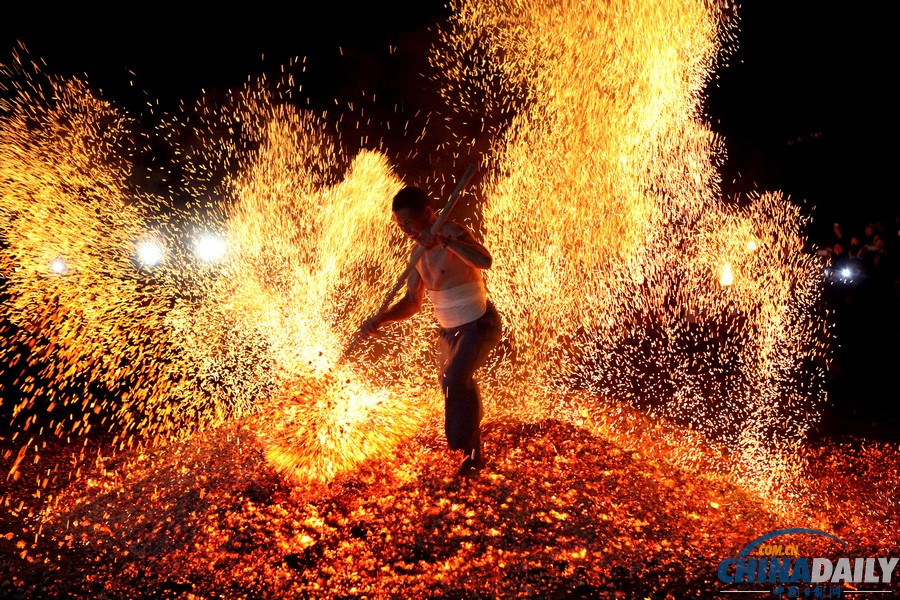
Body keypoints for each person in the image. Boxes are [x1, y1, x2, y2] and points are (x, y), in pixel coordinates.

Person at [357, 186, 502, 478]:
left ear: (427, 212)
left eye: (410, 222)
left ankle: (465, 451)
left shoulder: (454, 233)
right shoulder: (417, 254)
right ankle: (474, 452)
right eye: (401, 225)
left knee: (455, 379)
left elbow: (484, 261)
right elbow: (412, 303)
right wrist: (380, 320)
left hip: (479, 323)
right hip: (449, 331)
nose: (407, 229)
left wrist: (444, 241)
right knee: (453, 382)